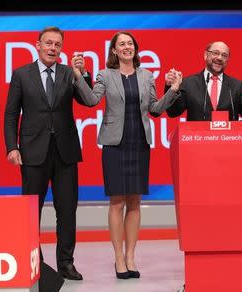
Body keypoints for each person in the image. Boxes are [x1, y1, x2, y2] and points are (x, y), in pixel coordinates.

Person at [73, 31, 182, 279]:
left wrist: (173, 90)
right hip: (115, 145)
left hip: (139, 145)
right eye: (121, 44)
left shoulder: (146, 76)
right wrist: (79, 76)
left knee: (134, 202)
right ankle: (118, 258)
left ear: (135, 48)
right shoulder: (105, 75)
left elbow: (155, 109)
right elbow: (90, 100)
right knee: (116, 202)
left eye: (129, 43)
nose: (126, 46)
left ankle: (131, 257)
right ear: (114, 50)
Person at [4, 26, 93, 280]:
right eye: (48, 43)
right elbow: (11, 114)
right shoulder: (21, 74)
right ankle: (36, 262)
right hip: (32, 153)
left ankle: (65, 263)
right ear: (38, 45)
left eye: (57, 44)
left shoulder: (69, 73)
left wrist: (83, 75)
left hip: (65, 152)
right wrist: (12, 147)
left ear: (61, 49)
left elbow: (88, 101)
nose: (53, 48)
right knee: (32, 212)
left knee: (67, 210)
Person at [164, 41, 242, 121]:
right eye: (215, 53)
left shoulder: (236, 85)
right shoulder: (188, 83)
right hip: (197, 138)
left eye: (224, 55)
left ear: (227, 60)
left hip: (228, 138)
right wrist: (171, 88)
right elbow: (173, 112)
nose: (219, 58)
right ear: (206, 55)